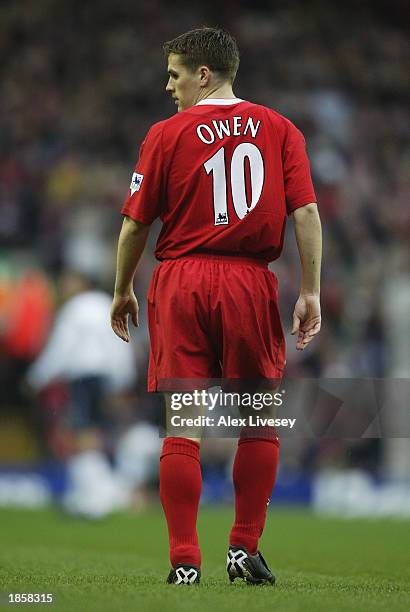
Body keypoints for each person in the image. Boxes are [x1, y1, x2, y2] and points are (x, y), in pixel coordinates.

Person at [110, 27, 322, 585]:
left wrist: (122, 287)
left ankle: (184, 561)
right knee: (257, 420)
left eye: (176, 74)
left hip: (181, 280)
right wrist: (310, 291)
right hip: (249, 281)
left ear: (204, 75)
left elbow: (135, 223)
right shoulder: (281, 130)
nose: (168, 86)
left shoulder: (165, 134)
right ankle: (243, 548)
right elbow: (304, 214)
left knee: (184, 423)